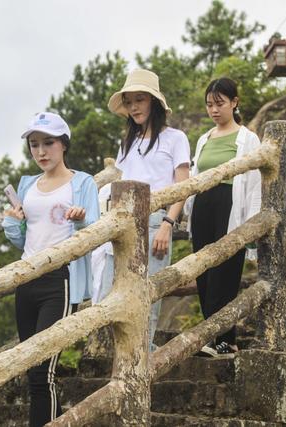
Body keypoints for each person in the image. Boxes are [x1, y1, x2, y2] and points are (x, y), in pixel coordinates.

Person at [2, 111, 99, 427]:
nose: (41, 152)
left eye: (48, 143)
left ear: (63, 144)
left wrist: (81, 218)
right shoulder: (27, 184)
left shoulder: (82, 182)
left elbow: (95, 231)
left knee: (43, 371)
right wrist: (11, 221)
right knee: (32, 370)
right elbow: (23, 238)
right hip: (26, 279)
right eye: (34, 145)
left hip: (60, 280)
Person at [94, 69, 190, 351]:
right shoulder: (128, 143)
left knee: (146, 297)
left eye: (140, 100)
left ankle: (143, 359)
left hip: (156, 221)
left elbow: (183, 185)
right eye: (129, 101)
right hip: (122, 223)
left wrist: (167, 224)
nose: (134, 107)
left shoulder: (175, 138)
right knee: (115, 296)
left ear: (154, 102)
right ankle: (131, 358)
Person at [185, 77, 262, 356]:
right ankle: (211, 336)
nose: (214, 110)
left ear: (234, 103)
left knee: (225, 273)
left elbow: (254, 183)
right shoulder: (204, 139)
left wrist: (253, 222)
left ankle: (226, 339)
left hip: (230, 204)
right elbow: (195, 176)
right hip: (203, 205)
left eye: (219, 103)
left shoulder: (248, 138)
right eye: (209, 105)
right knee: (203, 272)